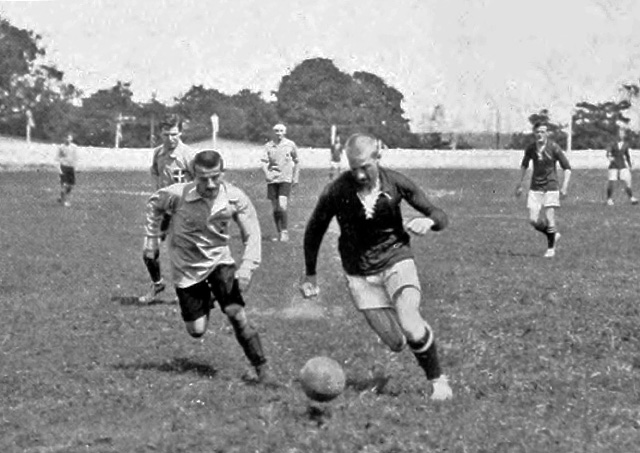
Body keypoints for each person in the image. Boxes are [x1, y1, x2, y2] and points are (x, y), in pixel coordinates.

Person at [299, 133, 453, 401]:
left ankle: (438, 382)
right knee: (396, 342)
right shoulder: (336, 191)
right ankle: (417, 343)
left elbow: (439, 214)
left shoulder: (396, 182)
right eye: (353, 167)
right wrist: (310, 273)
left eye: (365, 167)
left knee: (409, 319)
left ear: (377, 157)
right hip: (358, 271)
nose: (359, 174)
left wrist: (429, 223)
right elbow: (314, 231)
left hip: (396, 259)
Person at [143, 149, 275, 384]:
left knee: (236, 313)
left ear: (223, 172)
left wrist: (246, 268)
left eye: (215, 176)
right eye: (204, 178)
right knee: (197, 330)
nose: (211, 183)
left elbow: (252, 233)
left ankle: (263, 369)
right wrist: (152, 239)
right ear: (194, 175)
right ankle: (208, 298)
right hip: (186, 268)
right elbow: (154, 205)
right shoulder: (177, 195)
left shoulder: (235, 198)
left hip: (219, 262)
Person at [139, 114, 197, 304]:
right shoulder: (158, 153)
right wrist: (157, 193)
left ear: (180, 132)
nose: (170, 139)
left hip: (184, 210)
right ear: (160, 134)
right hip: (162, 209)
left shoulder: (188, 155)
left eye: (174, 134)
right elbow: (155, 172)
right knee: (148, 251)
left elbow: (201, 181)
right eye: (166, 134)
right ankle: (157, 284)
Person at [515, 121, 572, 258]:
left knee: (549, 216)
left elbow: (567, 168)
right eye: (537, 132)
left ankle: (551, 249)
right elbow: (524, 165)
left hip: (551, 187)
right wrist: (519, 184)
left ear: (547, 133)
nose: (540, 134)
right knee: (533, 220)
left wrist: (564, 187)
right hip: (535, 188)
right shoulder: (531, 148)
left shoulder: (554, 148)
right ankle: (552, 234)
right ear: (534, 133)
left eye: (542, 131)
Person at [260, 123, 300, 242]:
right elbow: (263, 162)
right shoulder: (268, 146)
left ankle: (284, 231)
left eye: (281, 131)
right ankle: (279, 232)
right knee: (275, 208)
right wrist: (267, 174)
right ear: (273, 132)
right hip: (273, 179)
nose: (279, 133)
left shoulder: (290, 145)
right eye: (276, 131)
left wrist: (296, 176)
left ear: (285, 132)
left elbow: (297, 161)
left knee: (282, 205)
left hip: (285, 179)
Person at [605, 126, 638, 206]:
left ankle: (631, 198)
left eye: (622, 133)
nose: (620, 135)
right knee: (612, 182)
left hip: (622, 165)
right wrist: (609, 156)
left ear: (624, 135)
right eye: (619, 133)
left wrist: (630, 165)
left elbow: (627, 155)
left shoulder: (625, 145)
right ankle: (609, 199)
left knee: (626, 182)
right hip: (613, 165)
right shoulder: (612, 143)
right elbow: (608, 151)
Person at [56, 133, 78, 207]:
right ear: (64, 139)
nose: (67, 139)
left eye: (69, 138)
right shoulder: (61, 147)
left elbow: (75, 157)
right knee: (64, 185)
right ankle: (64, 202)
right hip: (64, 167)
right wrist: (59, 169)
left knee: (71, 186)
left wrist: (76, 167)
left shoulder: (74, 147)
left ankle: (61, 197)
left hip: (71, 168)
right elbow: (57, 158)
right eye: (66, 138)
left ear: (71, 139)